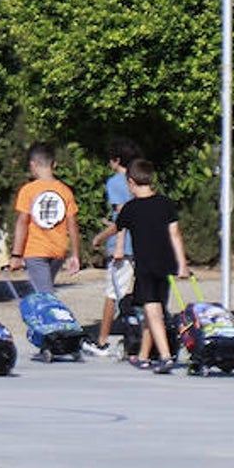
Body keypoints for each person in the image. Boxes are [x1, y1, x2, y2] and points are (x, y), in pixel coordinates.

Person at [95, 159, 190, 373]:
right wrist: (182, 264)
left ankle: (165, 356)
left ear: (131, 182)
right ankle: (143, 356)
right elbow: (175, 234)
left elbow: (115, 228)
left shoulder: (131, 208)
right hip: (166, 263)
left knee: (152, 310)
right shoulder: (165, 203)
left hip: (146, 265)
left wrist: (98, 239)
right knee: (152, 310)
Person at [84, 138, 143, 357]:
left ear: (116, 160)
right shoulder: (139, 179)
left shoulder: (116, 182)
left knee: (112, 293)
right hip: (141, 244)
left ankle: (102, 341)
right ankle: (142, 337)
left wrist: (109, 239)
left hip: (124, 246)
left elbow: (123, 215)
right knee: (140, 293)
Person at [8, 142, 82, 293]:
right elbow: (73, 225)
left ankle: (51, 316)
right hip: (58, 250)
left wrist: (16, 254)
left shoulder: (28, 190)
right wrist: (75, 254)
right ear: (54, 164)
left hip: (35, 250)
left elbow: (22, 222)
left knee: (45, 295)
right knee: (43, 291)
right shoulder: (65, 191)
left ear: (32, 164)